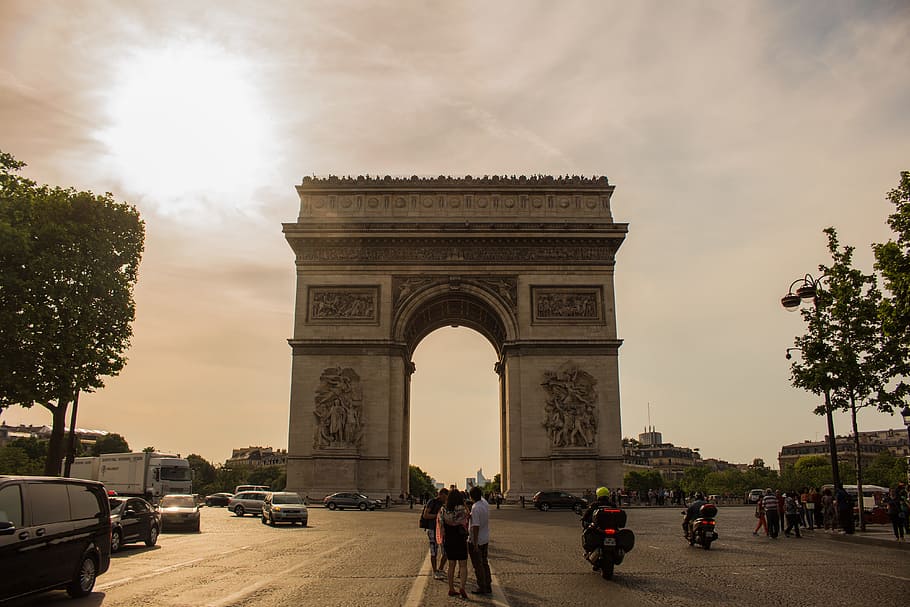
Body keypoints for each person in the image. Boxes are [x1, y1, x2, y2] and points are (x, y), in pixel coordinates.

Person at [440, 489, 470, 598]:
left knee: (451, 565)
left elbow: (441, 526)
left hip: (449, 539)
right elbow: (468, 517)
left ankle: (451, 588)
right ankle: (462, 587)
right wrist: (465, 505)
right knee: (463, 565)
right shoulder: (462, 510)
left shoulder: (443, 510)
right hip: (460, 539)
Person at [468, 486, 492, 595]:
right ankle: (488, 584)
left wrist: (475, 543)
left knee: (478, 565)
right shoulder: (485, 503)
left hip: (477, 540)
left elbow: (475, 526)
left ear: (471, 496)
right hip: (485, 538)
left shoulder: (475, 508)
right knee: (484, 562)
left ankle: (481, 586)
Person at [420, 487, 449, 579]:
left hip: (443, 530)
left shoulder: (445, 504)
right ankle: (435, 571)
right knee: (434, 551)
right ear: (441, 495)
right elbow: (425, 515)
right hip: (433, 529)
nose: (446, 498)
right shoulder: (432, 502)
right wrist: (437, 516)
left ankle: (440, 569)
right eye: (445, 496)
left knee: (446, 551)